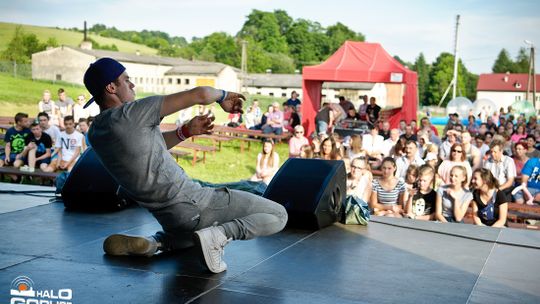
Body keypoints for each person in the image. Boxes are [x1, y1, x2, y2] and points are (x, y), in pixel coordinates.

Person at [82, 57, 287, 274]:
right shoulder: (133, 113)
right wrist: (224, 96)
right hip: (195, 204)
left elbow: (153, 146)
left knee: (188, 237)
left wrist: (186, 131)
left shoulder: (96, 132)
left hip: (171, 219)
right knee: (278, 215)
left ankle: (156, 243)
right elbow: (201, 94)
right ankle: (218, 236)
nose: (132, 84)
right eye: (126, 80)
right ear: (111, 87)